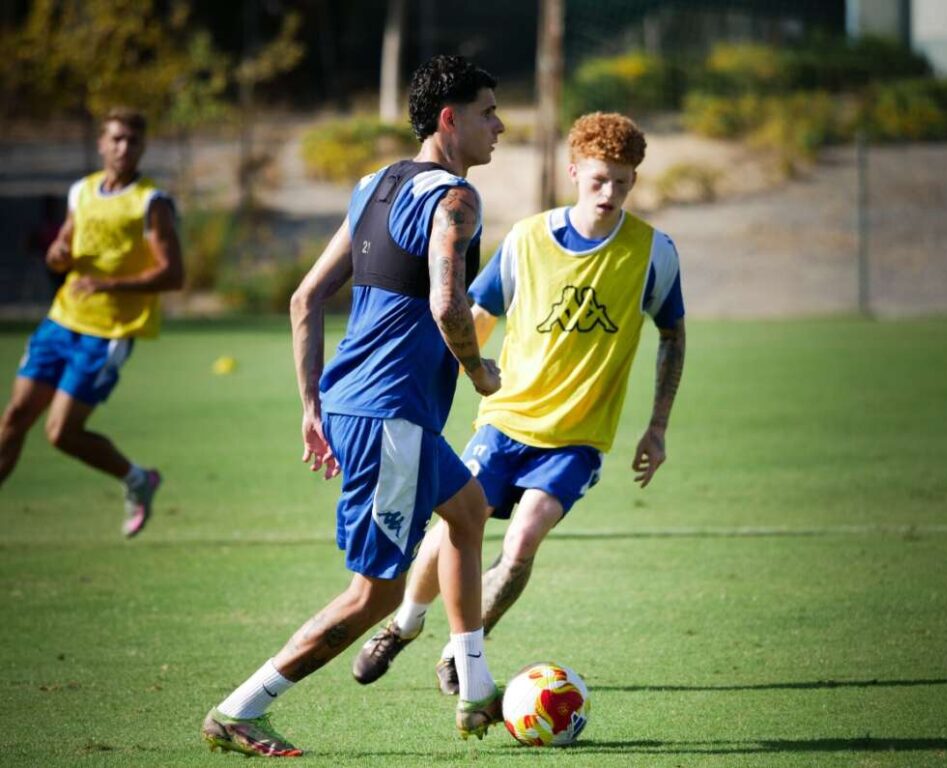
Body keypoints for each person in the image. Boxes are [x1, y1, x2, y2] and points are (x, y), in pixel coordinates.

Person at [201, 54, 506, 758]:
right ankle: (241, 708)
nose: (500, 126)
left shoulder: (374, 184)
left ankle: (476, 687)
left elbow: (305, 298)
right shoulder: (455, 199)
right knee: (372, 594)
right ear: (450, 119)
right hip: (389, 413)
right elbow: (447, 303)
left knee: (467, 511)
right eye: (488, 112)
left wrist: (312, 403)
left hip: (359, 404)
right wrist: (477, 371)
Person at [351, 111, 686, 695]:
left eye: (623, 182)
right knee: (454, 526)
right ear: (574, 170)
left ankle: (465, 652)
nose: (610, 194)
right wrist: (445, 381)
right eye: (600, 179)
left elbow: (673, 334)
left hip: (578, 438)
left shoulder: (654, 252)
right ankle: (403, 624)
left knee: (523, 538)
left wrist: (657, 427)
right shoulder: (528, 239)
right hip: (506, 419)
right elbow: (474, 317)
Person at [0, 107, 183, 538]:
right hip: (61, 320)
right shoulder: (80, 191)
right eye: (116, 139)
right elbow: (63, 245)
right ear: (101, 144)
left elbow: (174, 275)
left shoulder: (150, 202)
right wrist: (56, 254)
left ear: (142, 147)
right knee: (14, 417)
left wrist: (109, 283)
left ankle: (138, 478)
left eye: (132, 141)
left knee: (60, 432)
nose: (123, 148)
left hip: (108, 334)